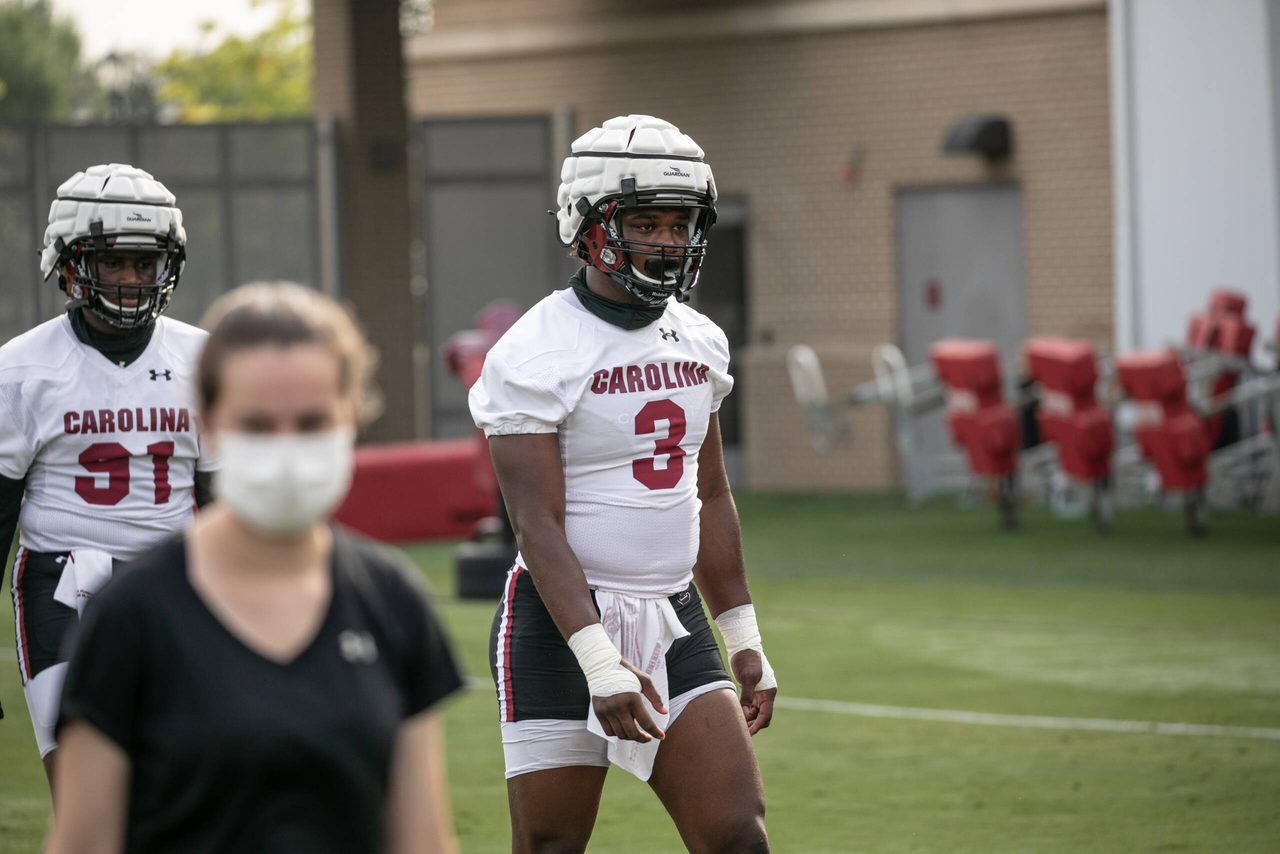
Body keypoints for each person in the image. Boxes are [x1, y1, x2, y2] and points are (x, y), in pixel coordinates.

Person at [46, 282, 465, 854]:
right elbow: (82, 842)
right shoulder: (131, 616)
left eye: (312, 422)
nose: (286, 449)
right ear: (209, 424)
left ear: (352, 417)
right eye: (258, 426)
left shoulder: (393, 601)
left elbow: (423, 841)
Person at [469, 114, 777, 854]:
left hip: (673, 614)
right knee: (551, 845)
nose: (668, 241)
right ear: (587, 225)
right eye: (644, 222)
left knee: (737, 836)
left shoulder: (699, 338)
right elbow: (535, 523)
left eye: (680, 223)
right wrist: (599, 661)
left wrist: (742, 634)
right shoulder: (535, 350)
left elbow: (709, 493)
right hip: (561, 624)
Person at [0, 163, 215, 795]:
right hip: (62, 582)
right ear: (70, 263)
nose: (130, 278)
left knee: (178, 789)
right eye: (113, 261)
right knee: (84, 794)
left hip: (172, 581)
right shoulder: (20, 369)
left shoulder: (205, 360)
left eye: (145, 263)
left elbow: (223, 504)